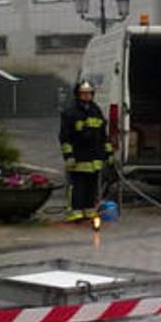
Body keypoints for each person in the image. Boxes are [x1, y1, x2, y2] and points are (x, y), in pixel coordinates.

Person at [59, 81, 112, 222]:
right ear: (78, 94)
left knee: (92, 186)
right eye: (84, 93)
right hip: (78, 157)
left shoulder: (96, 111)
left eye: (89, 93)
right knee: (78, 186)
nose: (87, 96)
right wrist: (68, 156)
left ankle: (89, 210)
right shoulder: (70, 113)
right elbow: (65, 137)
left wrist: (109, 153)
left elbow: (103, 135)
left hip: (95, 157)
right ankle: (75, 211)